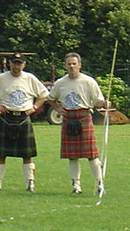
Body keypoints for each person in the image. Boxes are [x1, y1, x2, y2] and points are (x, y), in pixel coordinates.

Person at [0, 54, 49, 192]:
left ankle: (30, 183)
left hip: (23, 118)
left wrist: (34, 107)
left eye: (19, 63)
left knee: (27, 155)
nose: (17, 66)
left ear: (24, 64)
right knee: (1, 154)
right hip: (6, 117)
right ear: (10, 63)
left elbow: (44, 94)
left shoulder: (30, 78)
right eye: (14, 63)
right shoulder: (0, 79)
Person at [46, 52, 109, 195]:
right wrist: (57, 109)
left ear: (80, 65)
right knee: (72, 155)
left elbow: (97, 100)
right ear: (65, 66)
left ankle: (100, 184)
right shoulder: (60, 83)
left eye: (74, 63)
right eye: (69, 64)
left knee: (92, 154)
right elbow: (50, 99)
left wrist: (104, 103)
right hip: (68, 117)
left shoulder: (88, 81)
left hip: (84, 116)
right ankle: (76, 186)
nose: (72, 66)